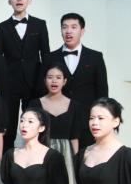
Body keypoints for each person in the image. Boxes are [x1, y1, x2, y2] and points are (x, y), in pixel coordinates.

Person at [34, 64, 84, 184]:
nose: (53, 81)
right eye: (49, 77)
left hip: (65, 158)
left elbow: (75, 137)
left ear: (65, 81)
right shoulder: (35, 103)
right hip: (43, 155)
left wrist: (77, 163)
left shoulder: (75, 106)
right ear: (44, 80)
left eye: (58, 77)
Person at [0, 0, 50, 146]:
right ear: (9, 1)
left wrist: (43, 83)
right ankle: (7, 158)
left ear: (29, 0)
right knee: (8, 124)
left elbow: (46, 56)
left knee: (35, 122)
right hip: (8, 83)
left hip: (34, 82)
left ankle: (35, 157)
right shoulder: (1, 28)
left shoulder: (40, 25)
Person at [43, 13, 108, 148]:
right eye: (64, 27)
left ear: (82, 31)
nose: (68, 31)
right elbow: (42, 90)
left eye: (73, 27)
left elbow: (102, 91)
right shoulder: (49, 58)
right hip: (57, 121)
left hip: (86, 120)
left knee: (86, 157)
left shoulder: (95, 57)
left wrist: (100, 119)